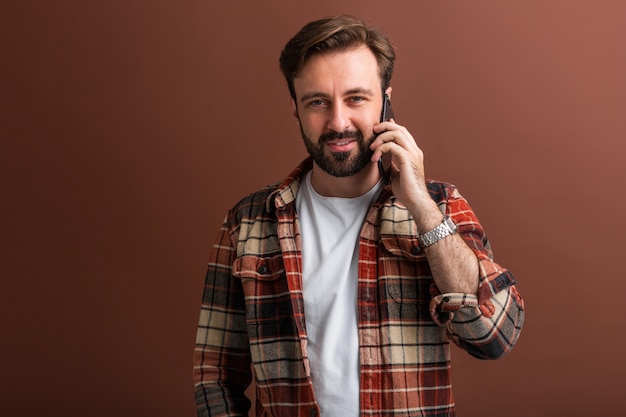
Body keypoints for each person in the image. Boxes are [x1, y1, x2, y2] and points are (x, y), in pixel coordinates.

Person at [193, 15, 524, 417]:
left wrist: (421, 208)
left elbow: (494, 337)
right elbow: (215, 377)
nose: (337, 122)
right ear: (295, 109)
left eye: (356, 98)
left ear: (386, 101)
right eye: (317, 101)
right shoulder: (247, 223)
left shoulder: (439, 206)